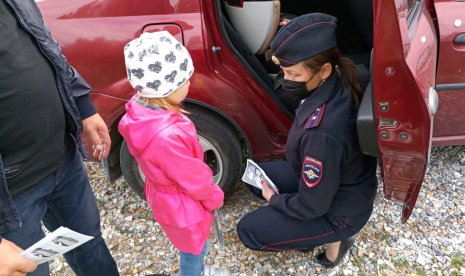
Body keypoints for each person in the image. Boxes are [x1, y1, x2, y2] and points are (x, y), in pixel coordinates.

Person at [236, 13, 378, 268]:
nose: (286, 79)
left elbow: (312, 205)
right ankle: (305, 233)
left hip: (340, 213)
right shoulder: (335, 77)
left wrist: (274, 200)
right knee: (256, 177)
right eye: (284, 71)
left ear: (323, 70)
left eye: (292, 74)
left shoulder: (322, 133)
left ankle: (333, 241)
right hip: (341, 184)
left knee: (248, 230)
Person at [0, 0, 119, 275]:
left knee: (90, 244)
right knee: (31, 270)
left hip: (63, 159)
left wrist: (82, 105)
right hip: (11, 195)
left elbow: (45, 44)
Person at [118, 31, 230, 276]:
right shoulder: (167, 137)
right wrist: (213, 196)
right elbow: (193, 178)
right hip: (183, 204)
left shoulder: (140, 112)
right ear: (165, 89)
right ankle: (194, 272)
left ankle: (197, 269)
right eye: (184, 81)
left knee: (191, 244)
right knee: (194, 248)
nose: (190, 84)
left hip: (167, 198)